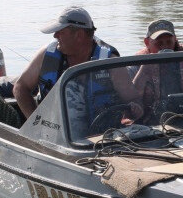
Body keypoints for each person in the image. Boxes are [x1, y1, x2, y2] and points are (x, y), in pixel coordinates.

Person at [13, 7, 142, 126]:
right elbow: (20, 87)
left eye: (60, 32)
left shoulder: (109, 61)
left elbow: (133, 99)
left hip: (101, 136)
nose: (55, 36)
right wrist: (36, 124)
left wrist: (134, 109)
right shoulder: (47, 54)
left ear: (79, 35)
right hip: (54, 134)